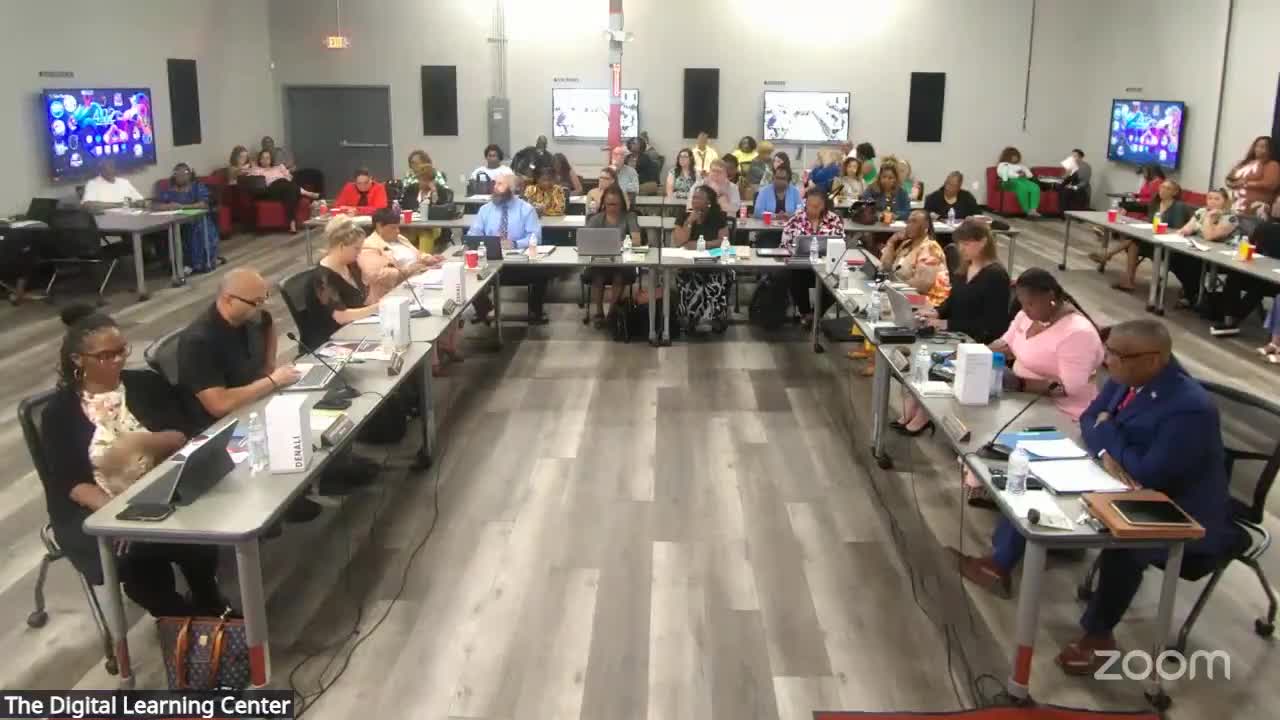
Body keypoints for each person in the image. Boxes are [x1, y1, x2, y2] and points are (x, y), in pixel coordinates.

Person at [951, 319, 1231, 676]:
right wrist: (1108, 448)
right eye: (1107, 350)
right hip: (1115, 476)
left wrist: (1108, 430)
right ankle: (998, 563)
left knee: (1128, 543)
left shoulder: (1189, 407)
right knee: (1036, 473)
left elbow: (1149, 472)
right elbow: (1088, 419)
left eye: (1116, 355)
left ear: (1153, 359)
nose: (1106, 361)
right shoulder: (1127, 375)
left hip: (1176, 506)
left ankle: (1098, 637)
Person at [41, 305, 226, 618]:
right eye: (106, 355)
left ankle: (209, 604)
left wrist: (142, 442)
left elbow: (181, 434)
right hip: (101, 505)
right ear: (78, 359)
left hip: (160, 486)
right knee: (138, 556)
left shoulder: (145, 385)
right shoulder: (60, 413)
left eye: (121, 351)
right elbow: (72, 483)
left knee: (197, 534)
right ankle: (179, 619)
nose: (117, 360)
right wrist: (118, 515)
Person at [898, 221, 1011, 434]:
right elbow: (954, 300)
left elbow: (993, 324)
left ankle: (925, 414)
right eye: (960, 244)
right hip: (954, 333)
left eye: (966, 244)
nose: (961, 249)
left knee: (932, 361)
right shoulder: (964, 268)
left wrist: (948, 323)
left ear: (983, 242)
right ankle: (914, 405)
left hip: (977, 341)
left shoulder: (996, 276)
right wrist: (937, 312)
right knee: (917, 353)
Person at [466, 168, 548, 323]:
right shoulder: (485, 210)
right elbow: (473, 234)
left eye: (500, 184)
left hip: (518, 263)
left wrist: (515, 243)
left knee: (542, 272)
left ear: (511, 188)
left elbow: (535, 237)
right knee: (467, 273)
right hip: (490, 262)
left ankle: (535, 312)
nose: (495, 187)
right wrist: (473, 243)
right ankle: (484, 310)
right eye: (495, 184)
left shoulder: (526, 209)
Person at [304, 215, 384, 347]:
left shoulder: (351, 265)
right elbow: (341, 316)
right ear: (341, 246)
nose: (359, 253)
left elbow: (363, 297)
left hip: (356, 329)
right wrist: (378, 308)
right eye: (356, 248)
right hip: (330, 340)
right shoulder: (322, 278)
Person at [1103, 179, 1193, 292]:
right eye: (1161, 187)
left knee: (1134, 241)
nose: (1163, 190)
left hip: (1169, 246)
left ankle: (1107, 255)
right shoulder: (1155, 204)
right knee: (1134, 243)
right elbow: (1146, 217)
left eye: (1167, 188)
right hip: (1152, 241)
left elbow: (1177, 229)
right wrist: (1124, 207)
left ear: (1175, 192)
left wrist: (1159, 229)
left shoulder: (1179, 207)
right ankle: (1128, 281)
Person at [672, 185, 732, 332]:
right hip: (690, 265)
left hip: (715, 264)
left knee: (716, 282)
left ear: (708, 202)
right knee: (691, 283)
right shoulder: (683, 216)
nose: (694, 200)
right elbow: (680, 241)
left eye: (699, 198)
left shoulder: (718, 217)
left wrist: (702, 245)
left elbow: (724, 241)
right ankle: (693, 319)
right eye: (693, 197)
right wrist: (689, 222)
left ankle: (710, 318)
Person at [781, 188, 845, 322]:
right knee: (794, 276)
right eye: (809, 205)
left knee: (838, 282)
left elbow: (840, 244)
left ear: (823, 205)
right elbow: (784, 244)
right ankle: (805, 313)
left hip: (826, 267)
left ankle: (815, 315)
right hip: (802, 267)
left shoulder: (834, 220)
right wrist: (792, 252)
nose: (811, 209)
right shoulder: (796, 219)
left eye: (816, 206)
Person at [584, 184, 643, 327]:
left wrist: (623, 243)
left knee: (619, 276)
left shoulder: (629, 216)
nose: (612, 207)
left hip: (622, 263)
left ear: (621, 203)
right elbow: (585, 239)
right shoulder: (596, 218)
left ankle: (612, 312)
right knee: (597, 276)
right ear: (604, 203)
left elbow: (637, 240)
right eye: (609, 204)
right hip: (600, 261)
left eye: (615, 204)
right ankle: (599, 312)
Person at [1210, 219, 1280, 337]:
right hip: (1262, 271)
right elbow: (1254, 247)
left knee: (1261, 285)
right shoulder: (1266, 227)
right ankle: (1229, 318)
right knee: (1235, 275)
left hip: (1274, 281)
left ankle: (1233, 321)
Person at [1169, 188, 1237, 307]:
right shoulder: (1201, 211)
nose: (1212, 201)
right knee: (1174, 258)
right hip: (1200, 251)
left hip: (1219, 258)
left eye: (1217, 199)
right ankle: (1196, 293)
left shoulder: (1230, 218)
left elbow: (1209, 236)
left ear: (1225, 201)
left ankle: (1193, 296)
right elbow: (1186, 228)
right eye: (1209, 198)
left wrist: (1209, 218)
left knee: (1191, 263)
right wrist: (1184, 231)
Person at [153, 162, 220, 274]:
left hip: (197, 221)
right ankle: (175, 264)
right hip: (176, 221)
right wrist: (167, 206)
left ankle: (198, 263)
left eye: (184, 173)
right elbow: (155, 205)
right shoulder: (170, 190)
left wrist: (183, 206)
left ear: (190, 175)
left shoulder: (197, 187)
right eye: (177, 174)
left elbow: (203, 204)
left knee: (195, 230)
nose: (180, 176)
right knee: (164, 231)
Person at [880, 210, 952, 307]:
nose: (909, 225)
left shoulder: (931, 249)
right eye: (908, 221)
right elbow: (885, 267)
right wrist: (891, 242)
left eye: (914, 222)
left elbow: (922, 286)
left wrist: (894, 286)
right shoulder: (906, 244)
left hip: (924, 301)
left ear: (926, 226)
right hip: (902, 294)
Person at [243, 149, 316, 232]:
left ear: (271, 159)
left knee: (289, 191)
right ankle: (306, 193)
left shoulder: (278, 168)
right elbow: (247, 176)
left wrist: (286, 173)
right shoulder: (256, 170)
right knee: (282, 181)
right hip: (270, 191)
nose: (265, 160)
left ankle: (292, 223)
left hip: (284, 190)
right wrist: (250, 164)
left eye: (267, 158)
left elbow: (289, 179)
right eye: (263, 158)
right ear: (259, 160)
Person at [399, 150, 450, 253]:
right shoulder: (412, 189)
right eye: (420, 180)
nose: (422, 183)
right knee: (401, 234)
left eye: (425, 180)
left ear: (431, 180)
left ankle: (424, 258)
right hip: (412, 225)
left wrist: (434, 192)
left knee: (426, 234)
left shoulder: (440, 191)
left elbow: (441, 211)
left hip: (433, 227)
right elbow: (404, 207)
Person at [1225, 135, 1280, 222]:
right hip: (1237, 204)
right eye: (1256, 146)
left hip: (1257, 208)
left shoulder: (1272, 164)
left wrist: (1246, 183)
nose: (1258, 149)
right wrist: (1234, 184)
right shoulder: (1244, 163)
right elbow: (1229, 180)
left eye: (1263, 147)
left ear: (1270, 150)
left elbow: (1270, 184)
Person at [996, 147, 1040, 216]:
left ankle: (1033, 210)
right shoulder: (1003, 164)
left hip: (1023, 180)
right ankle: (1027, 210)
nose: (1015, 158)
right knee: (1022, 187)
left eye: (1016, 156)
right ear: (1007, 156)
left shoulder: (1021, 166)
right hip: (1008, 182)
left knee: (1035, 187)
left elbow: (1030, 175)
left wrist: (1025, 174)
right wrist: (1017, 175)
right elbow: (1003, 173)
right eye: (1013, 156)